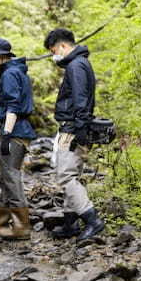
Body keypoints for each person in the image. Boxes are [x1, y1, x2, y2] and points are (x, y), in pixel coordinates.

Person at [43, 28, 104, 241]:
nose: (54, 56)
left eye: (53, 51)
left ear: (63, 46)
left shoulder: (76, 66)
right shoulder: (80, 63)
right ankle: (71, 223)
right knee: (72, 175)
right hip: (75, 126)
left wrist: (78, 130)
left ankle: (92, 220)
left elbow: (80, 100)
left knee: (66, 176)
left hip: (72, 128)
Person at [0, 37, 36, 240]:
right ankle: (2, 222)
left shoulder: (10, 74)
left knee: (11, 177)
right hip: (17, 130)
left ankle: (22, 227)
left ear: (1, 55)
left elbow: (13, 105)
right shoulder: (12, 71)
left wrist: (5, 134)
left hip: (15, 131)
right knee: (5, 177)